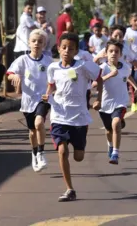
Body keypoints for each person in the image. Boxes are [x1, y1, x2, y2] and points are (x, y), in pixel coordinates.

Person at [44, 32, 103, 202]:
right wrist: (47, 95)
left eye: (70, 48)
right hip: (59, 116)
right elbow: (51, 86)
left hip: (79, 117)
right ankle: (70, 189)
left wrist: (98, 99)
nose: (66, 51)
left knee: (78, 156)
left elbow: (99, 79)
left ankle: (80, 146)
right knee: (62, 151)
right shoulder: (52, 68)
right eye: (63, 48)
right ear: (58, 48)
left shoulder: (84, 66)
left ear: (76, 50)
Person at [7, 29, 52, 172]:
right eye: (34, 41)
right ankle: (34, 153)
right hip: (28, 101)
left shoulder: (48, 61)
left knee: (39, 123)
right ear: (29, 43)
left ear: (44, 44)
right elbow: (10, 73)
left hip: (43, 98)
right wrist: (14, 77)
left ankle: (41, 152)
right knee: (32, 131)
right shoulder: (22, 60)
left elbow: (56, 78)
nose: (36, 44)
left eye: (40, 41)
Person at [98, 40, 137, 164]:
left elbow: (127, 76)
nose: (113, 54)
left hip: (120, 102)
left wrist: (135, 87)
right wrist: (109, 75)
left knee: (116, 123)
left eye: (116, 51)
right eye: (111, 51)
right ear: (106, 53)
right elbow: (95, 83)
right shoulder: (102, 68)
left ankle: (115, 153)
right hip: (105, 104)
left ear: (120, 54)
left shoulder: (126, 67)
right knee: (109, 130)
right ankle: (110, 145)